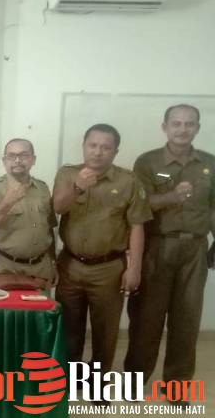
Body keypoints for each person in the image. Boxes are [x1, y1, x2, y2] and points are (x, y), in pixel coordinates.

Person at [124, 104, 214, 390]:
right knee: (146, 319)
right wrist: (172, 197)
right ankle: (134, 382)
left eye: (189, 124)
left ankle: (177, 385)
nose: (182, 129)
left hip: (194, 250)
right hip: (156, 247)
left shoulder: (210, 163)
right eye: (176, 123)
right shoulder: (148, 162)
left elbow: (213, 207)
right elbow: (139, 204)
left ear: (197, 128)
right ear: (165, 127)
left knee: (187, 321)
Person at [53, 123, 151, 385]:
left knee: (105, 331)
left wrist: (134, 268)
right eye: (93, 145)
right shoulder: (67, 174)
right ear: (84, 146)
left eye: (106, 147)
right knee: (69, 328)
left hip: (109, 268)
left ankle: (98, 383)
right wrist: (77, 187)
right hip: (70, 265)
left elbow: (137, 226)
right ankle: (70, 379)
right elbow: (58, 208)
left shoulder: (128, 181)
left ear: (115, 152)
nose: (98, 152)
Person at [0, 138, 56, 284]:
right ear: (4, 161)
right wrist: (8, 201)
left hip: (41, 268)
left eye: (23, 155)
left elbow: (49, 228)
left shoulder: (42, 188)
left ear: (33, 159)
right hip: (5, 267)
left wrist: (53, 262)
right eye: (11, 156)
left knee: (41, 300)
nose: (17, 160)